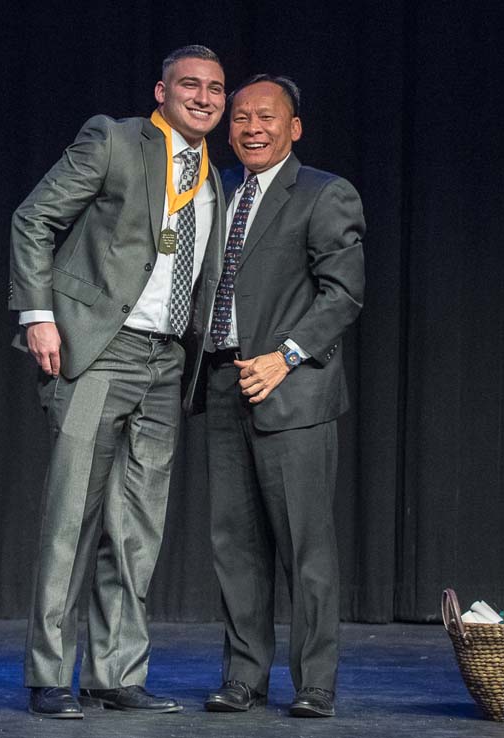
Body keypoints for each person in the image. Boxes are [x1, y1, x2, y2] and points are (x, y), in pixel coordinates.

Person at [8, 45, 226, 719]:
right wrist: (39, 315)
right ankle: (50, 673)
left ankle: (116, 674)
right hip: (100, 352)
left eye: (216, 88)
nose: (204, 96)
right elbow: (33, 218)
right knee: (72, 515)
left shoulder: (214, 178)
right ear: (160, 92)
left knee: (138, 528)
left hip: (166, 364)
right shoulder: (115, 139)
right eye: (189, 84)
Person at [198, 74, 365, 718]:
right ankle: (244, 677)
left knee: (305, 546)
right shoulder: (219, 195)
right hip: (223, 385)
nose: (251, 128)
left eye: (266, 117)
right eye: (240, 118)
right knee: (234, 547)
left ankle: (315, 682)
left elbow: (342, 294)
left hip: (291, 389)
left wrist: (287, 356)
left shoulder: (324, 193)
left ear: (294, 128)